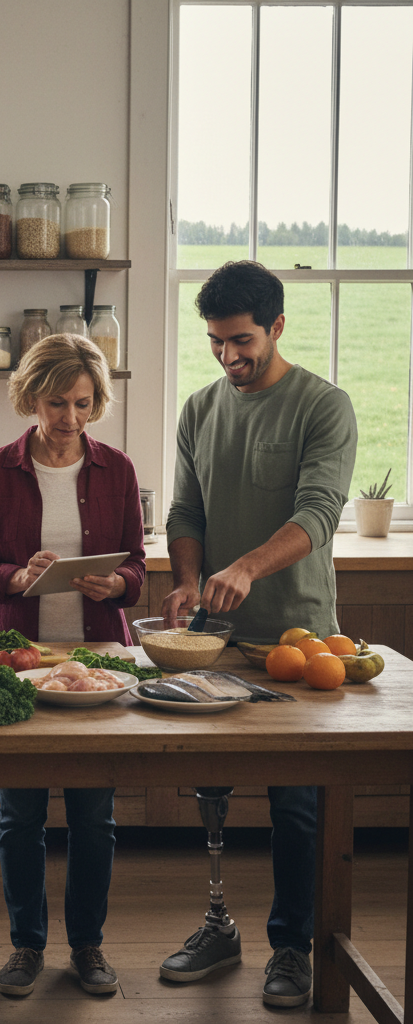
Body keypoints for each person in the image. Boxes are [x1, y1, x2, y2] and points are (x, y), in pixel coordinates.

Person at [159, 261, 358, 1007]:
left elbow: (318, 514)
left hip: (300, 643)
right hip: (213, 642)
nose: (228, 357)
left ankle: (292, 950)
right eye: (215, 343)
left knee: (298, 808)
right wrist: (186, 578)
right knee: (209, 791)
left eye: (241, 341)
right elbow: (186, 512)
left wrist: (245, 566)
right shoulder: (200, 408)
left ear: (277, 326)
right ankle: (217, 927)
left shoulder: (322, 405)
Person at [0, 334, 146, 1000]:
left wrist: (117, 586)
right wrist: (16, 575)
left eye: (84, 403)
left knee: (95, 817)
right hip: (19, 662)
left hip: (99, 663)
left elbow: (137, 569)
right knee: (21, 817)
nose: (70, 418)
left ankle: (88, 946)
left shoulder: (117, 470)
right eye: (57, 402)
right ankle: (26, 946)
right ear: (30, 397)